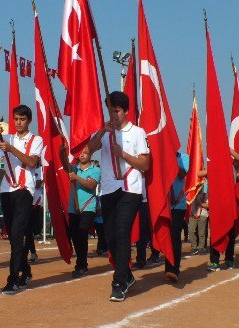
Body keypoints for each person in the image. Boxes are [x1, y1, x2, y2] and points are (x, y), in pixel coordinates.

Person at [87, 91, 150, 302]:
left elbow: (145, 164)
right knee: (111, 237)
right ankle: (128, 275)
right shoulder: (105, 131)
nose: (114, 115)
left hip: (130, 189)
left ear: (126, 111)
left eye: (117, 111)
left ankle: (119, 282)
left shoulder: (137, 132)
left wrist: (122, 153)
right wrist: (101, 131)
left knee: (122, 232)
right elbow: (89, 150)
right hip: (108, 189)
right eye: (111, 110)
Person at [0, 105, 43, 295]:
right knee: (13, 238)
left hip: (24, 189)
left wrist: (11, 148)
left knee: (17, 235)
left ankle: (13, 279)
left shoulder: (36, 140)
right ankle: (26, 270)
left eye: (22, 119)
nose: (18, 123)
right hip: (6, 189)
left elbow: (32, 162)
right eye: (16, 119)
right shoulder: (6, 137)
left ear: (28, 120)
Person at [67, 148, 101, 278]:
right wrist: (61, 151)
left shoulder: (95, 170)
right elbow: (64, 164)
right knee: (75, 236)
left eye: (85, 153)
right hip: (73, 208)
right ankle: (82, 262)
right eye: (80, 153)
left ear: (90, 155)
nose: (82, 155)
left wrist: (76, 178)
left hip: (88, 207)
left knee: (82, 233)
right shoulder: (74, 168)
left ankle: (81, 265)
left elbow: (91, 185)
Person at [165, 152, 190, 282]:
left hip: (178, 205)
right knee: (166, 236)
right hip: (165, 205)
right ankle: (167, 268)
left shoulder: (184, 158)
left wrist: (172, 161)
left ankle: (174, 269)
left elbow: (182, 174)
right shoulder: (162, 156)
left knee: (174, 235)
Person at [26, 167, 43, 264]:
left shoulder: (39, 169)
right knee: (26, 229)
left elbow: (38, 183)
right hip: (24, 201)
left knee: (29, 229)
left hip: (34, 203)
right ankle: (32, 252)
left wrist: (27, 181)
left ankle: (32, 253)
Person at [188, 183, 209, 256]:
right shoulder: (192, 194)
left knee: (201, 232)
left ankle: (201, 247)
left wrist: (199, 203)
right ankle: (194, 247)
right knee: (191, 230)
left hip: (203, 214)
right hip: (193, 214)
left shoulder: (206, 195)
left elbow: (208, 206)